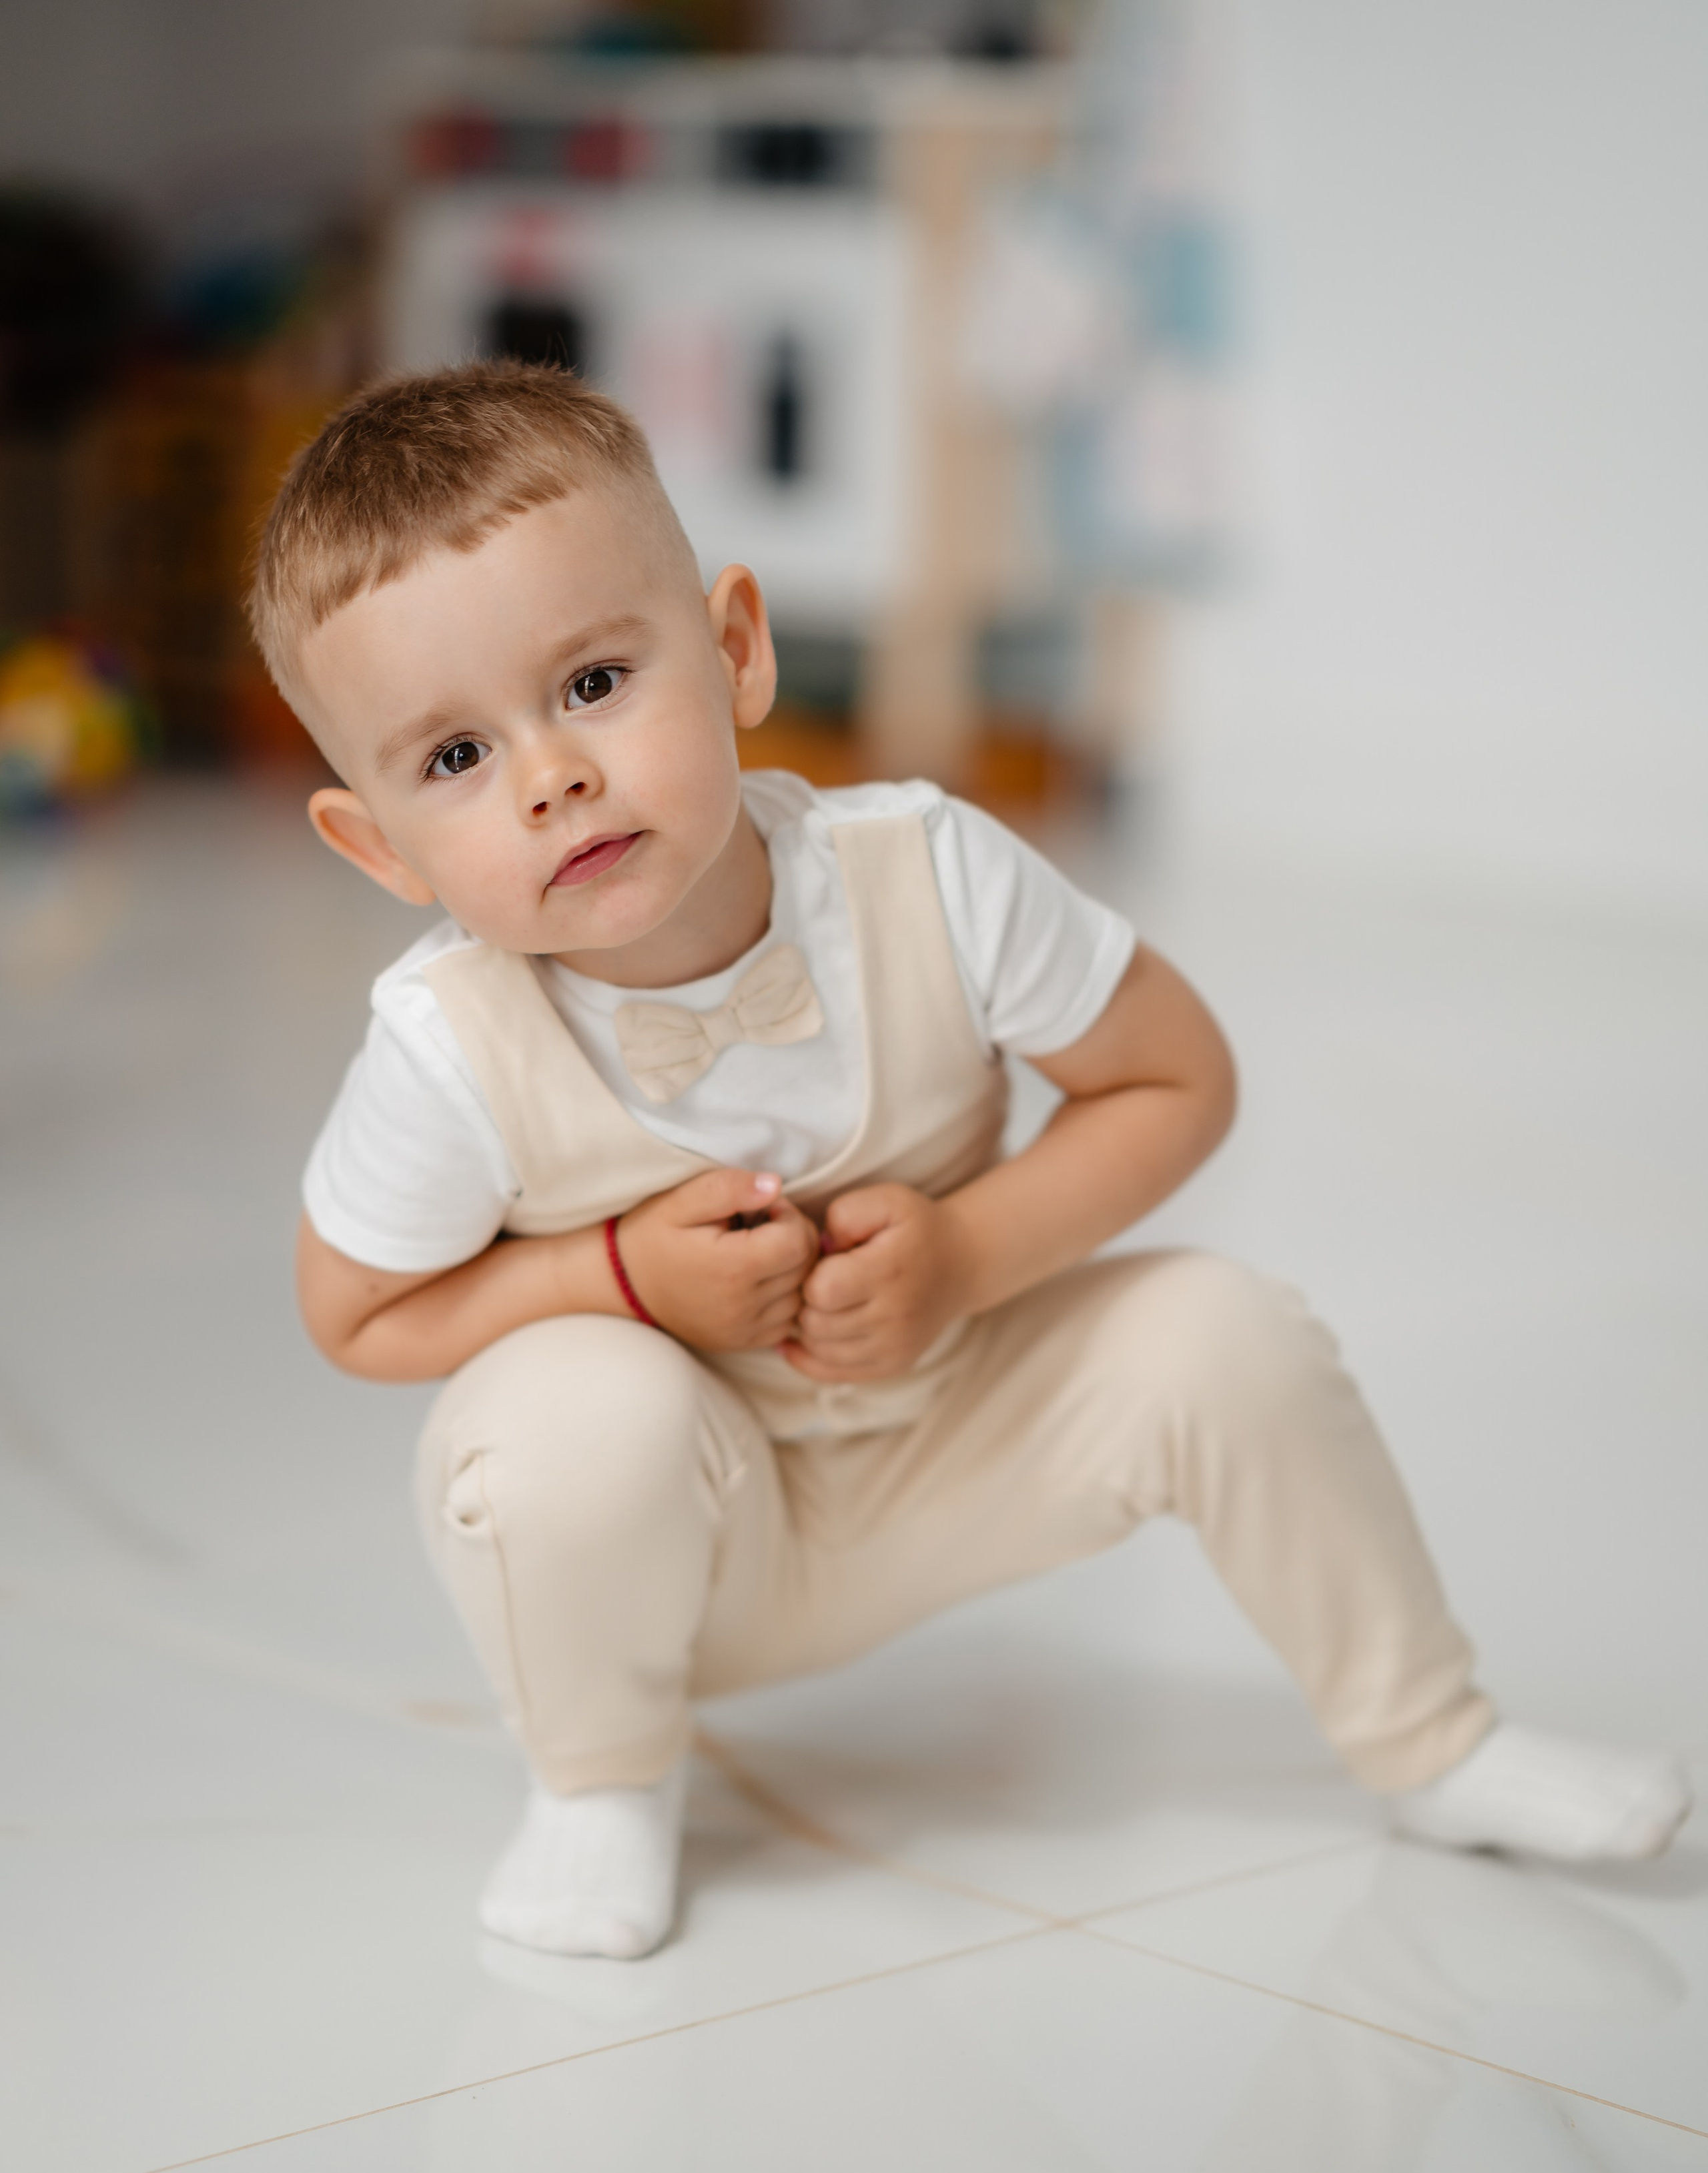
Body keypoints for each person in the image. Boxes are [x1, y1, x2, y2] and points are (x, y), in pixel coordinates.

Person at [252, 360, 1689, 1961]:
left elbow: (1175, 1075)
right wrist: (616, 1278)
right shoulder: (448, 1044)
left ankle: (1432, 1741)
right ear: (377, 845)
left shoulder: (923, 874)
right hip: (693, 1546)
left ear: (733, 650)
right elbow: (355, 1312)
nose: (550, 776)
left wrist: (968, 1256)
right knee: (555, 1421)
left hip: (961, 1440)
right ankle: (598, 1781)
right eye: (454, 760)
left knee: (1228, 1333)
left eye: (592, 682)